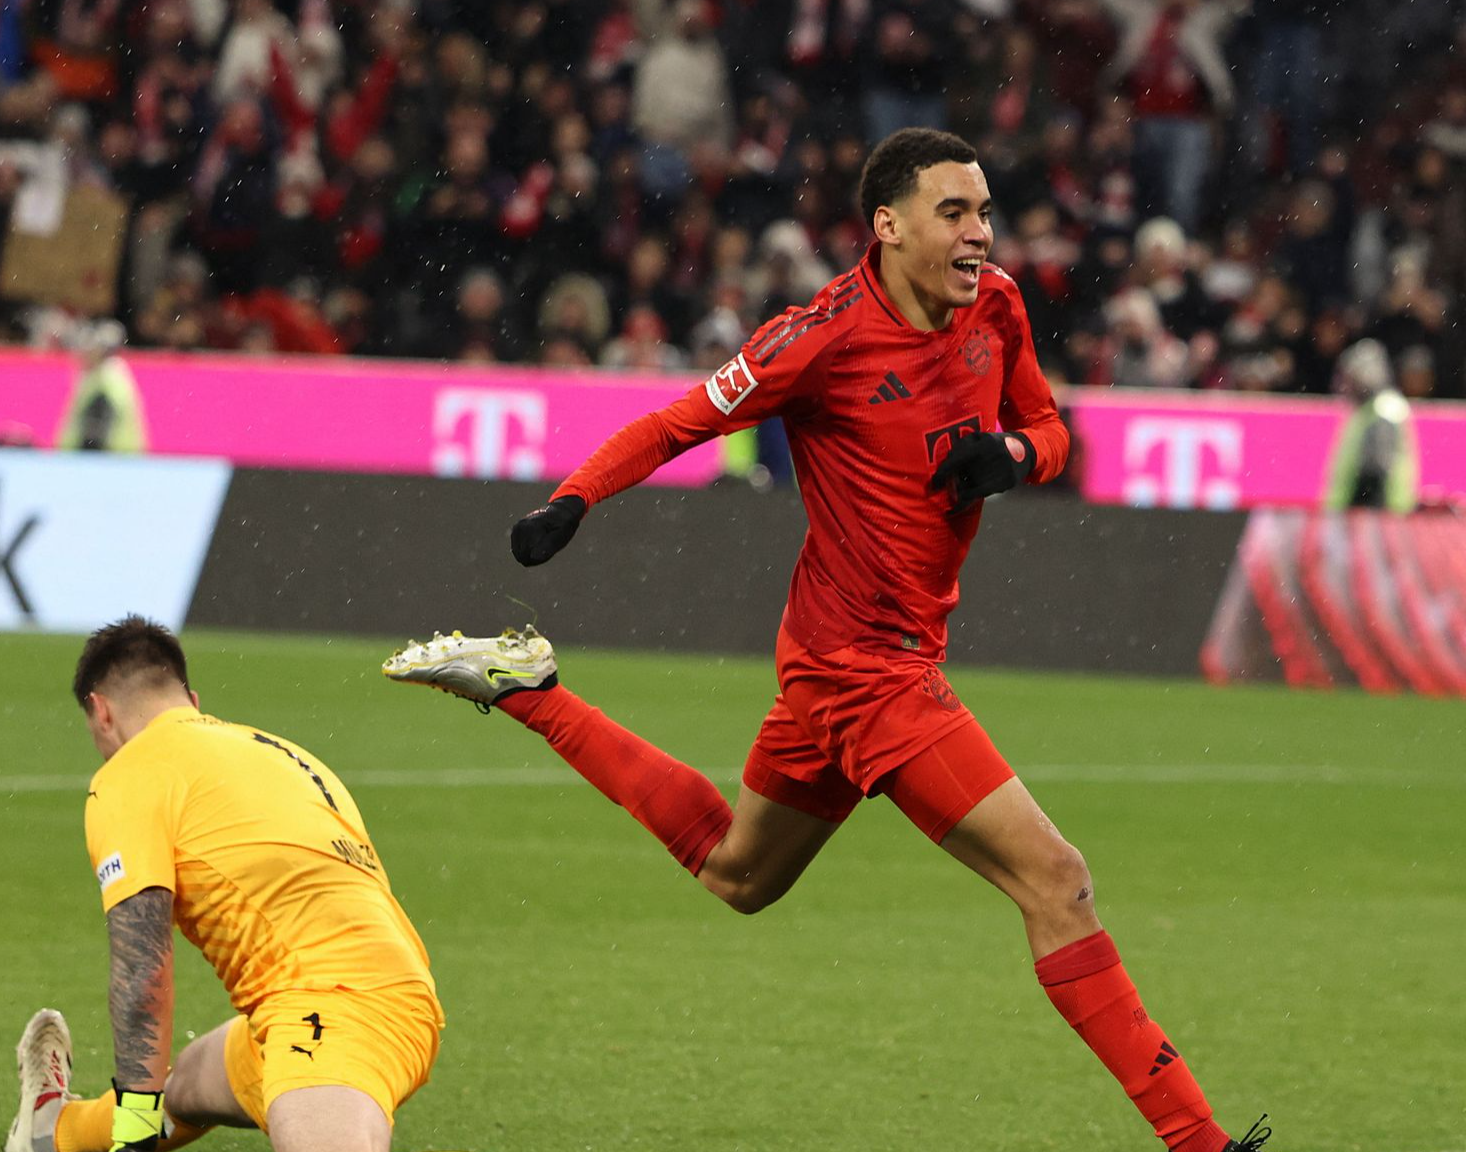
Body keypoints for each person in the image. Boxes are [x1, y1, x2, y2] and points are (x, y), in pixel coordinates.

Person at [383, 129, 1268, 1152]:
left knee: (736, 873)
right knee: (1055, 881)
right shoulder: (815, 339)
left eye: (983, 210)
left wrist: (1012, 455)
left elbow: (1055, 429)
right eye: (954, 212)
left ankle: (529, 688)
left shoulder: (998, 306)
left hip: (855, 660)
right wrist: (571, 501)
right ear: (886, 226)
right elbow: (680, 422)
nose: (979, 233)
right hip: (863, 672)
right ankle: (1200, 1144)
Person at [5, 617, 441, 1152]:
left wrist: (136, 1128)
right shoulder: (282, 751)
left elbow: (142, 961)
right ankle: (51, 1132)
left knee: (160, 1103)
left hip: (328, 1017)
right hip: (403, 992)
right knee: (188, 1084)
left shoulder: (131, 773)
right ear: (191, 698)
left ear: (101, 710)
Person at [1320, 338, 1420, 512]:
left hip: (1379, 515)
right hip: (1376, 513)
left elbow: (1376, 470)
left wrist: (1357, 506)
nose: (1344, 386)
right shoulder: (1370, 410)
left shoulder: (1383, 409)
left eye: (1349, 378)